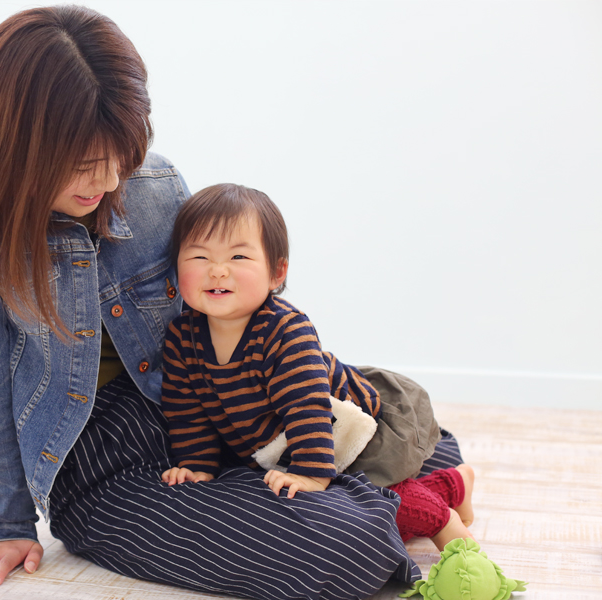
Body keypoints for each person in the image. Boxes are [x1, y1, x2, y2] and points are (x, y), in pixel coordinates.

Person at [0, 6, 464, 599]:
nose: (111, 182)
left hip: (209, 408)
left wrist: (299, 383)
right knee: (347, 547)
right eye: (86, 165)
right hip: (94, 456)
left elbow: (228, 311)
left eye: (122, 157)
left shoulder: (152, 184)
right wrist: (4, 522)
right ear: (18, 146)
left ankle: (401, 489)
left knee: (405, 419)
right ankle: (403, 500)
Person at [161, 183, 475, 551]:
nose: (217, 271)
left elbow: (306, 405)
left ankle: (444, 521)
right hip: (281, 444)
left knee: (369, 497)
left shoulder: (285, 329)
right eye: (199, 257)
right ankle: (456, 482)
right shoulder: (182, 337)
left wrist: (310, 473)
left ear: (277, 273)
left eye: (239, 258)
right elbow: (187, 410)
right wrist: (197, 464)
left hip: (348, 425)